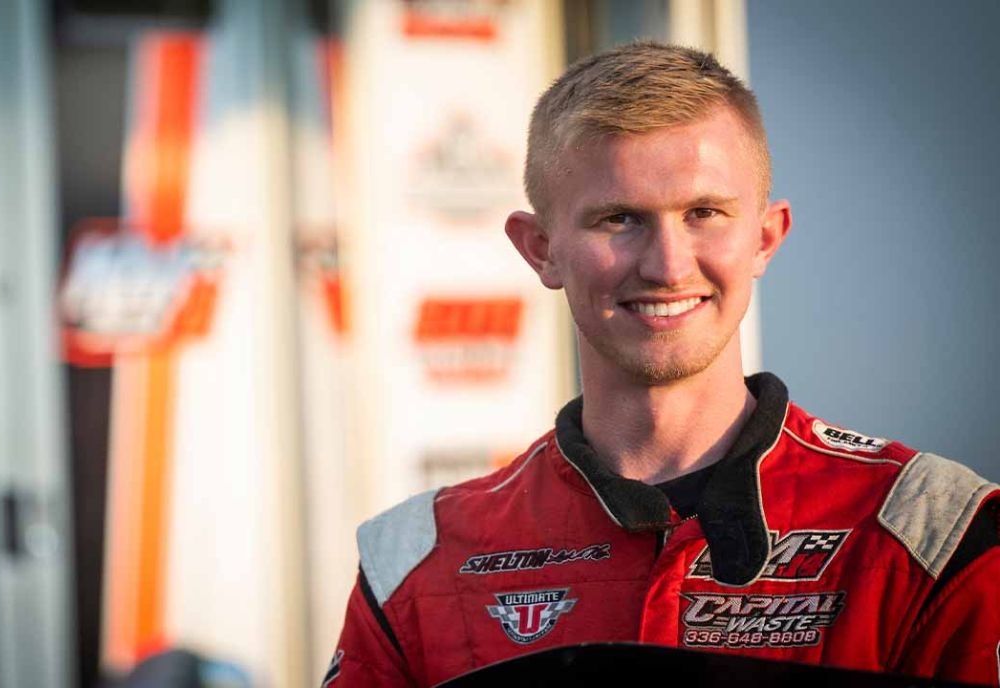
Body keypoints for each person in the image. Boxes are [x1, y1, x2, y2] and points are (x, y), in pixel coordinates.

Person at [326, 42, 1000, 687]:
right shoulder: (418, 562)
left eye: (703, 212)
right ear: (540, 250)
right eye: (620, 219)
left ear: (765, 237)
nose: (668, 266)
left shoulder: (935, 532)